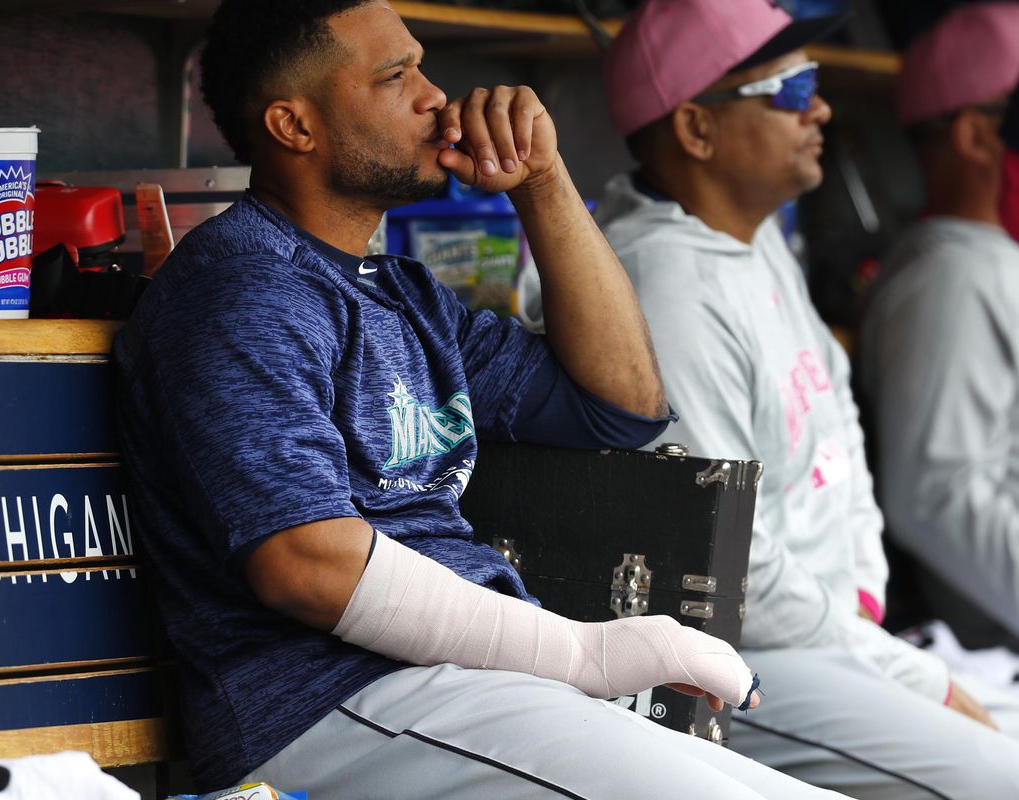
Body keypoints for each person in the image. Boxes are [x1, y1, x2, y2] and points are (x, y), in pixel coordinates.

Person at [111, 1, 852, 798]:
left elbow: (623, 407)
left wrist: (542, 183)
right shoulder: (243, 288)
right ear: (296, 126)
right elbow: (303, 564)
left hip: (467, 681)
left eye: (422, 67)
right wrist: (578, 653)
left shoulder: (404, 294)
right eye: (396, 78)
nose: (436, 97)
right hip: (331, 702)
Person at [574, 0, 1019, 796]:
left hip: (836, 638)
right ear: (696, 129)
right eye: (789, 87)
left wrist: (867, 605)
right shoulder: (665, 283)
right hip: (736, 656)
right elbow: (731, 567)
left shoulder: (758, 239)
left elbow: (839, 444)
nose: (819, 107)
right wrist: (904, 672)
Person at [859, 3, 1019, 655]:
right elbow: (935, 499)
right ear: (976, 137)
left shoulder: (991, 259)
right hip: (990, 658)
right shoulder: (954, 280)